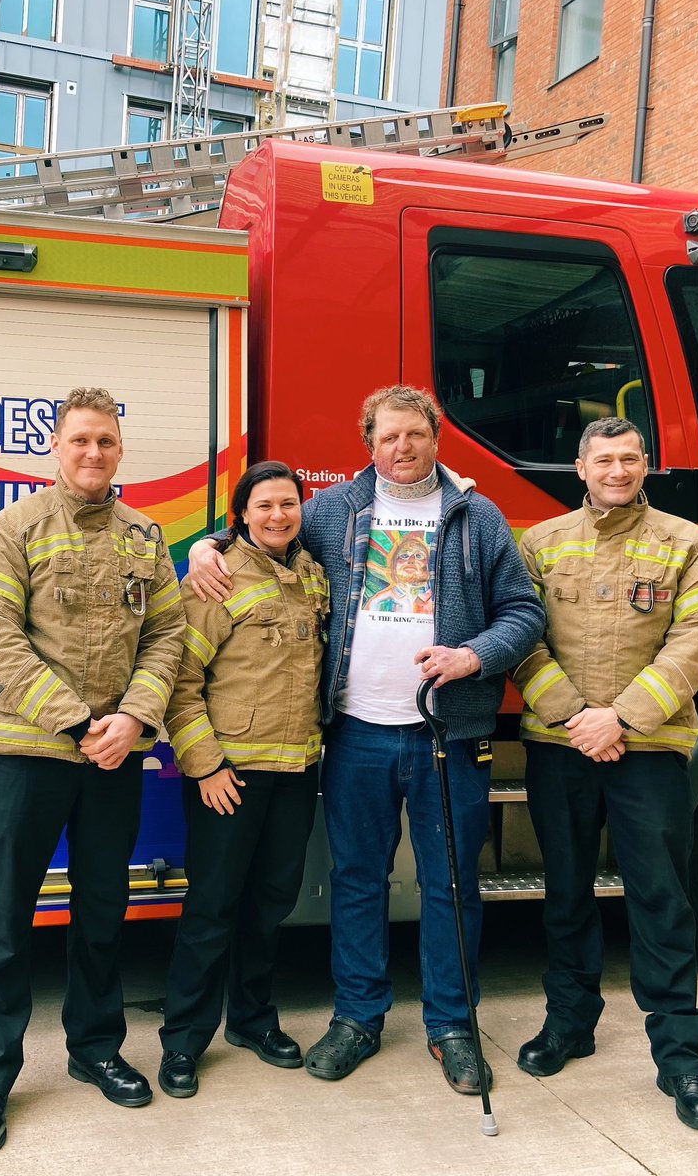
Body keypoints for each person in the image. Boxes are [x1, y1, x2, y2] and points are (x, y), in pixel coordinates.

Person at [189, 386, 545, 1094]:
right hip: (356, 732)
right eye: (389, 437)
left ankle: (453, 1025)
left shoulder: (477, 518)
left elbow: (524, 612)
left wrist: (473, 656)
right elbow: (265, 543)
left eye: (416, 434)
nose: (403, 448)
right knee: (357, 881)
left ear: (437, 436)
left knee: (450, 882)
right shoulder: (331, 510)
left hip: (450, 731)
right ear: (368, 443)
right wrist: (208, 544)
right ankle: (357, 1018)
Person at [0, 387, 185, 1153]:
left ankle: (95, 1047)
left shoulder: (145, 536)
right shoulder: (14, 528)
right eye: (81, 440)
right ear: (56, 448)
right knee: (4, 920)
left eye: (107, 442)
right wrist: (80, 719)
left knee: (101, 910)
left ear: (121, 451)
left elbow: (167, 635)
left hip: (115, 752)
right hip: (30, 749)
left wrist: (133, 717)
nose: (94, 453)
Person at [512, 416, 698, 1132]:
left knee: (661, 900)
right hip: (561, 743)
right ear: (579, 467)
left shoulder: (687, 543)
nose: (617, 471)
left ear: (646, 466)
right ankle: (569, 1024)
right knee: (566, 893)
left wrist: (622, 719)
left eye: (629, 460)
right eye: (603, 460)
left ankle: (681, 1058)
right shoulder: (539, 543)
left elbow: (696, 641)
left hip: (649, 748)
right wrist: (578, 717)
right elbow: (520, 635)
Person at [157, 462, 329, 1098]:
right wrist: (204, 764)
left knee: (271, 905)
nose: (279, 515)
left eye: (289, 504)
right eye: (265, 506)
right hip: (227, 777)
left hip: (294, 771)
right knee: (212, 910)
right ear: (242, 513)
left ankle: (253, 1021)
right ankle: (183, 1040)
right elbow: (180, 680)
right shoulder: (215, 577)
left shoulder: (313, 575)